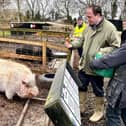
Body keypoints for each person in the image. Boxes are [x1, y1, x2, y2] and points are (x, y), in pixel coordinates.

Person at [65, 4, 120, 122]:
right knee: (81, 85)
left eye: (89, 17)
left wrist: (101, 52)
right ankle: (81, 108)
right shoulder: (88, 27)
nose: (87, 19)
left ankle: (99, 111)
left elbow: (116, 47)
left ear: (98, 15)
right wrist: (72, 45)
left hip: (98, 67)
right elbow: (81, 40)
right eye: (86, 17)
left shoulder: (110, 28)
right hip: (84, 64)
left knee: (98, 89)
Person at [90, 18, 126, 126]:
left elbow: (111, 59)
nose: (124, 21)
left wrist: (94, 63)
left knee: (112, 114)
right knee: (124, 112)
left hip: (122, 88)